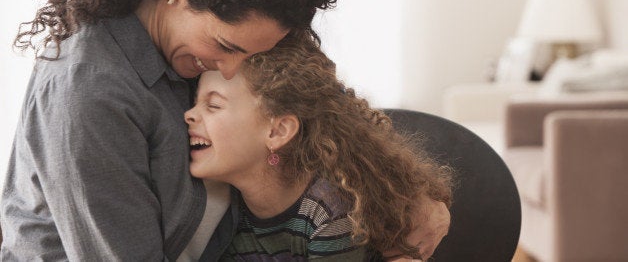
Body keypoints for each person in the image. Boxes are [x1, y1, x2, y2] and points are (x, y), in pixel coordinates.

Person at [1, 0, 450, 260]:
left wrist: (412, 197)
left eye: (251, 56)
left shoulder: (222, 37)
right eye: (224, 46)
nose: (232, 71)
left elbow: (319, 105)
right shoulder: (91, 94)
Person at [184, 36, 453, 261]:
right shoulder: (231, 212)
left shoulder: (328, 210)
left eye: (214, 105)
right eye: (196, 103)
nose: (189, 115)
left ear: (277, 131)